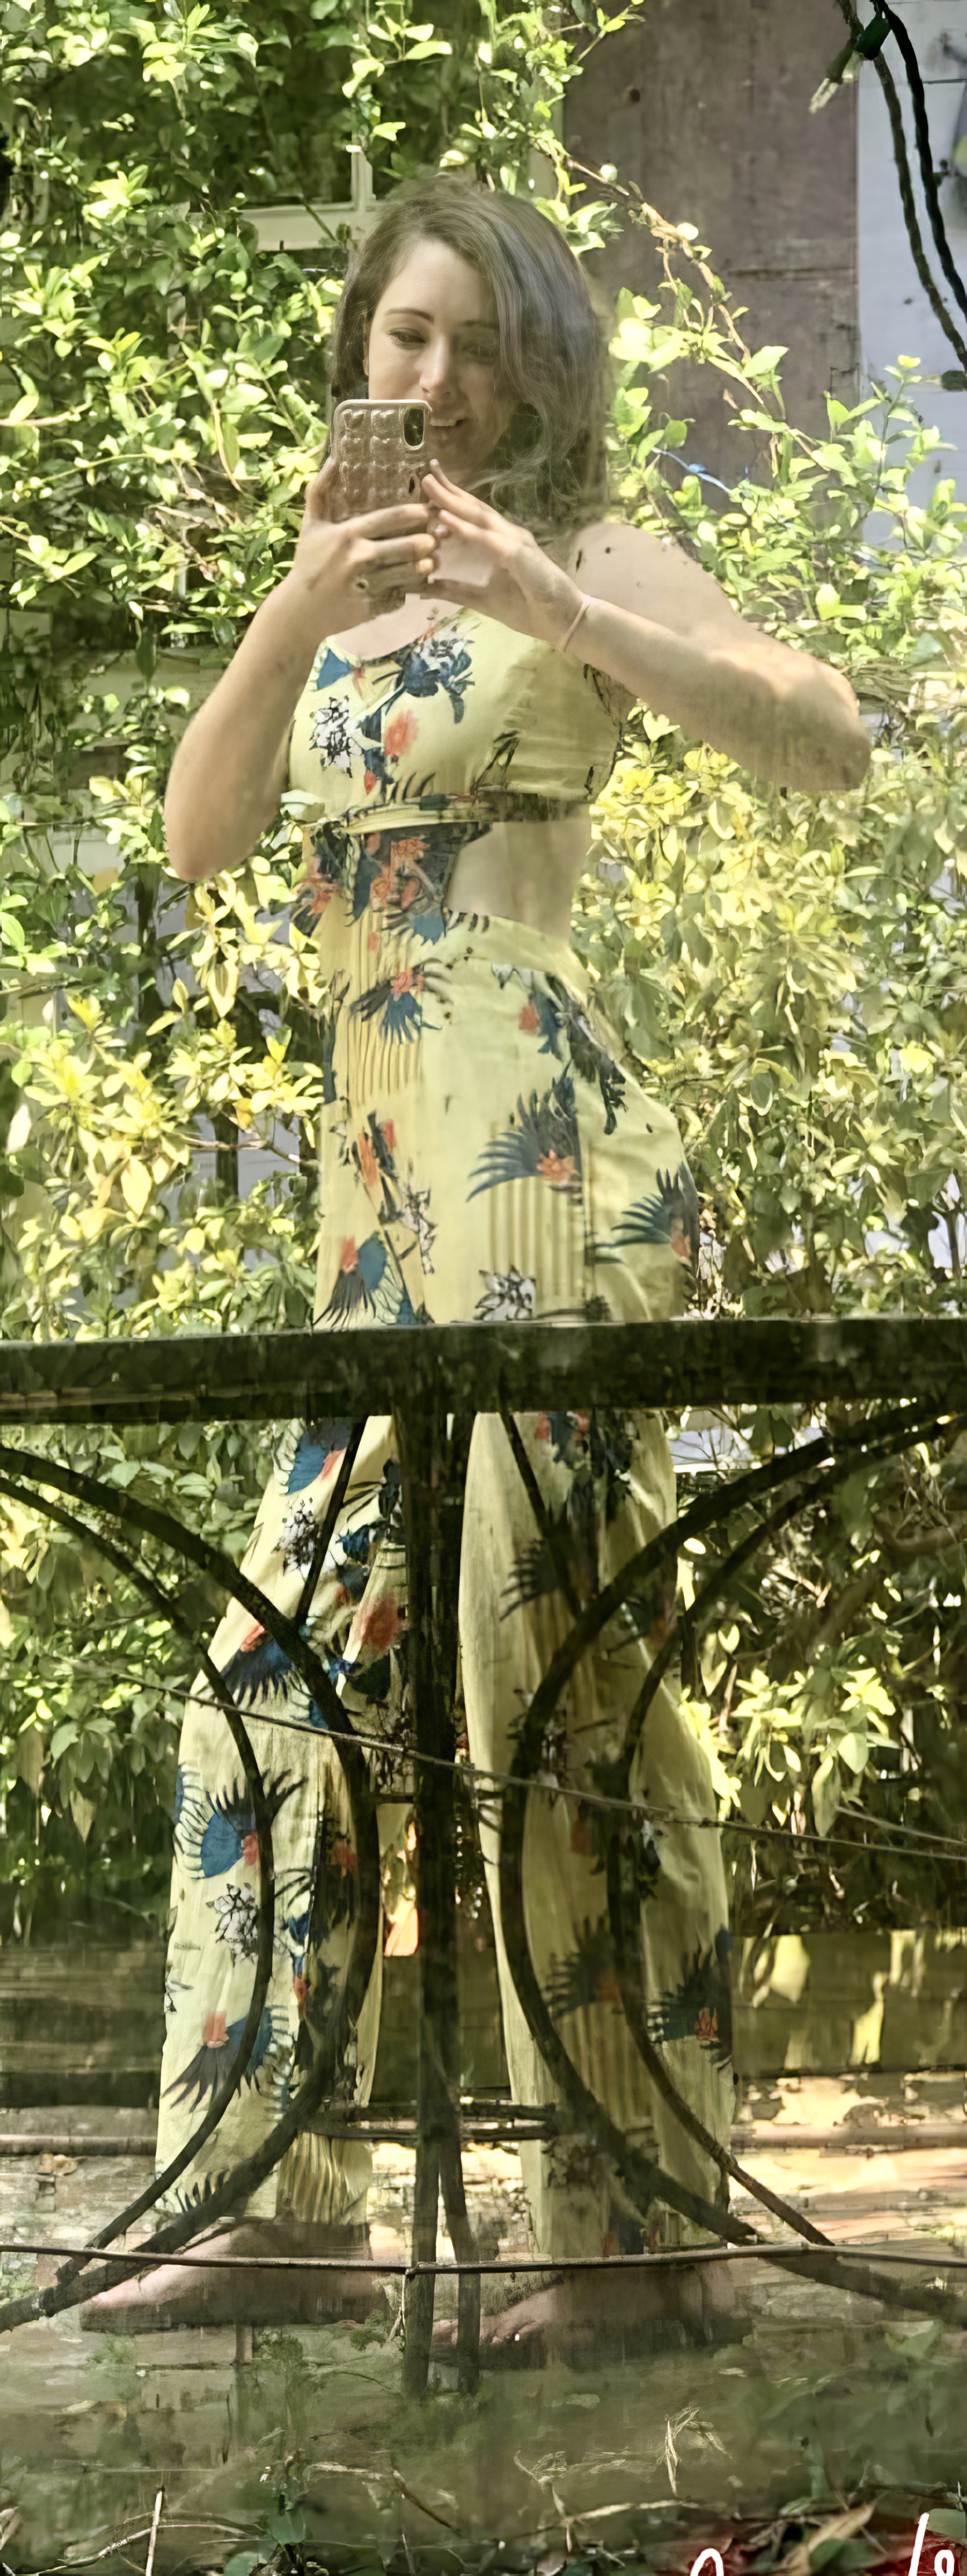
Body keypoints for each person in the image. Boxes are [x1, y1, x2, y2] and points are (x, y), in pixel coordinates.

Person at [82, 173, 869, 2349]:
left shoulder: (586, 551)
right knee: (274, 1684)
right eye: (398, 338)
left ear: (535, 367)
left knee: (565, 1671)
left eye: (471, 344)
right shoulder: (336, 593)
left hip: (539, 1143)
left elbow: (826, 734)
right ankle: (275, 2197)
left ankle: (641, 2240)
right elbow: (199, 831)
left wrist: (557, 595)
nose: (427, 380)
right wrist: (292, 605)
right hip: (371, 1175)